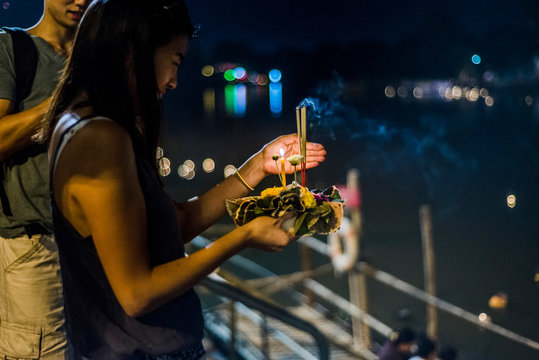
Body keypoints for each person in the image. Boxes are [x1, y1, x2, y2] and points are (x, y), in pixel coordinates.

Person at [38, 0, 327, 358]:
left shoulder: (74, 124)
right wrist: (242, 237)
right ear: (133, 53)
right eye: (174, 62)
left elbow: (178, 223)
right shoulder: (101, 139)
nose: (173, 82)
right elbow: (136, 294)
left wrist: (257, 166)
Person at [0, 1, 89, 358]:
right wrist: (62, 103)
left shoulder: (95, 60)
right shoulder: (12, 47)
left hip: (89, 245)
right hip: (33, 243)